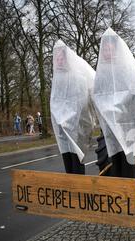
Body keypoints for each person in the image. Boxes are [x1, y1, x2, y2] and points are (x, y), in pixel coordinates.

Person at [92, 28, 135, 178]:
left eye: (111, 47)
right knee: (114, 164)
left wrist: (119, 107)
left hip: (128, 126)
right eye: (106, 48)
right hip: (109, 126)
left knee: (130, 165)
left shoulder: (126, 69)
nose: (108, 50)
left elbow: (134, 92)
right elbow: (97, 94)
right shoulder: (102, 73)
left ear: (116, 49)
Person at [50, 40, 96, 175]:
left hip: (74, 126)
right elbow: (55, 101)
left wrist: (69, 118)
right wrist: (59, 118)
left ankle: (79, 187)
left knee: (76, 159)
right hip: (61, 126)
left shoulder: (77, 76)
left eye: (61, 56)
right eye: (56, 56)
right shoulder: (57, 78)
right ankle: (71, 187)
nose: (58, 59)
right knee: (67, 158)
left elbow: (80, 101)